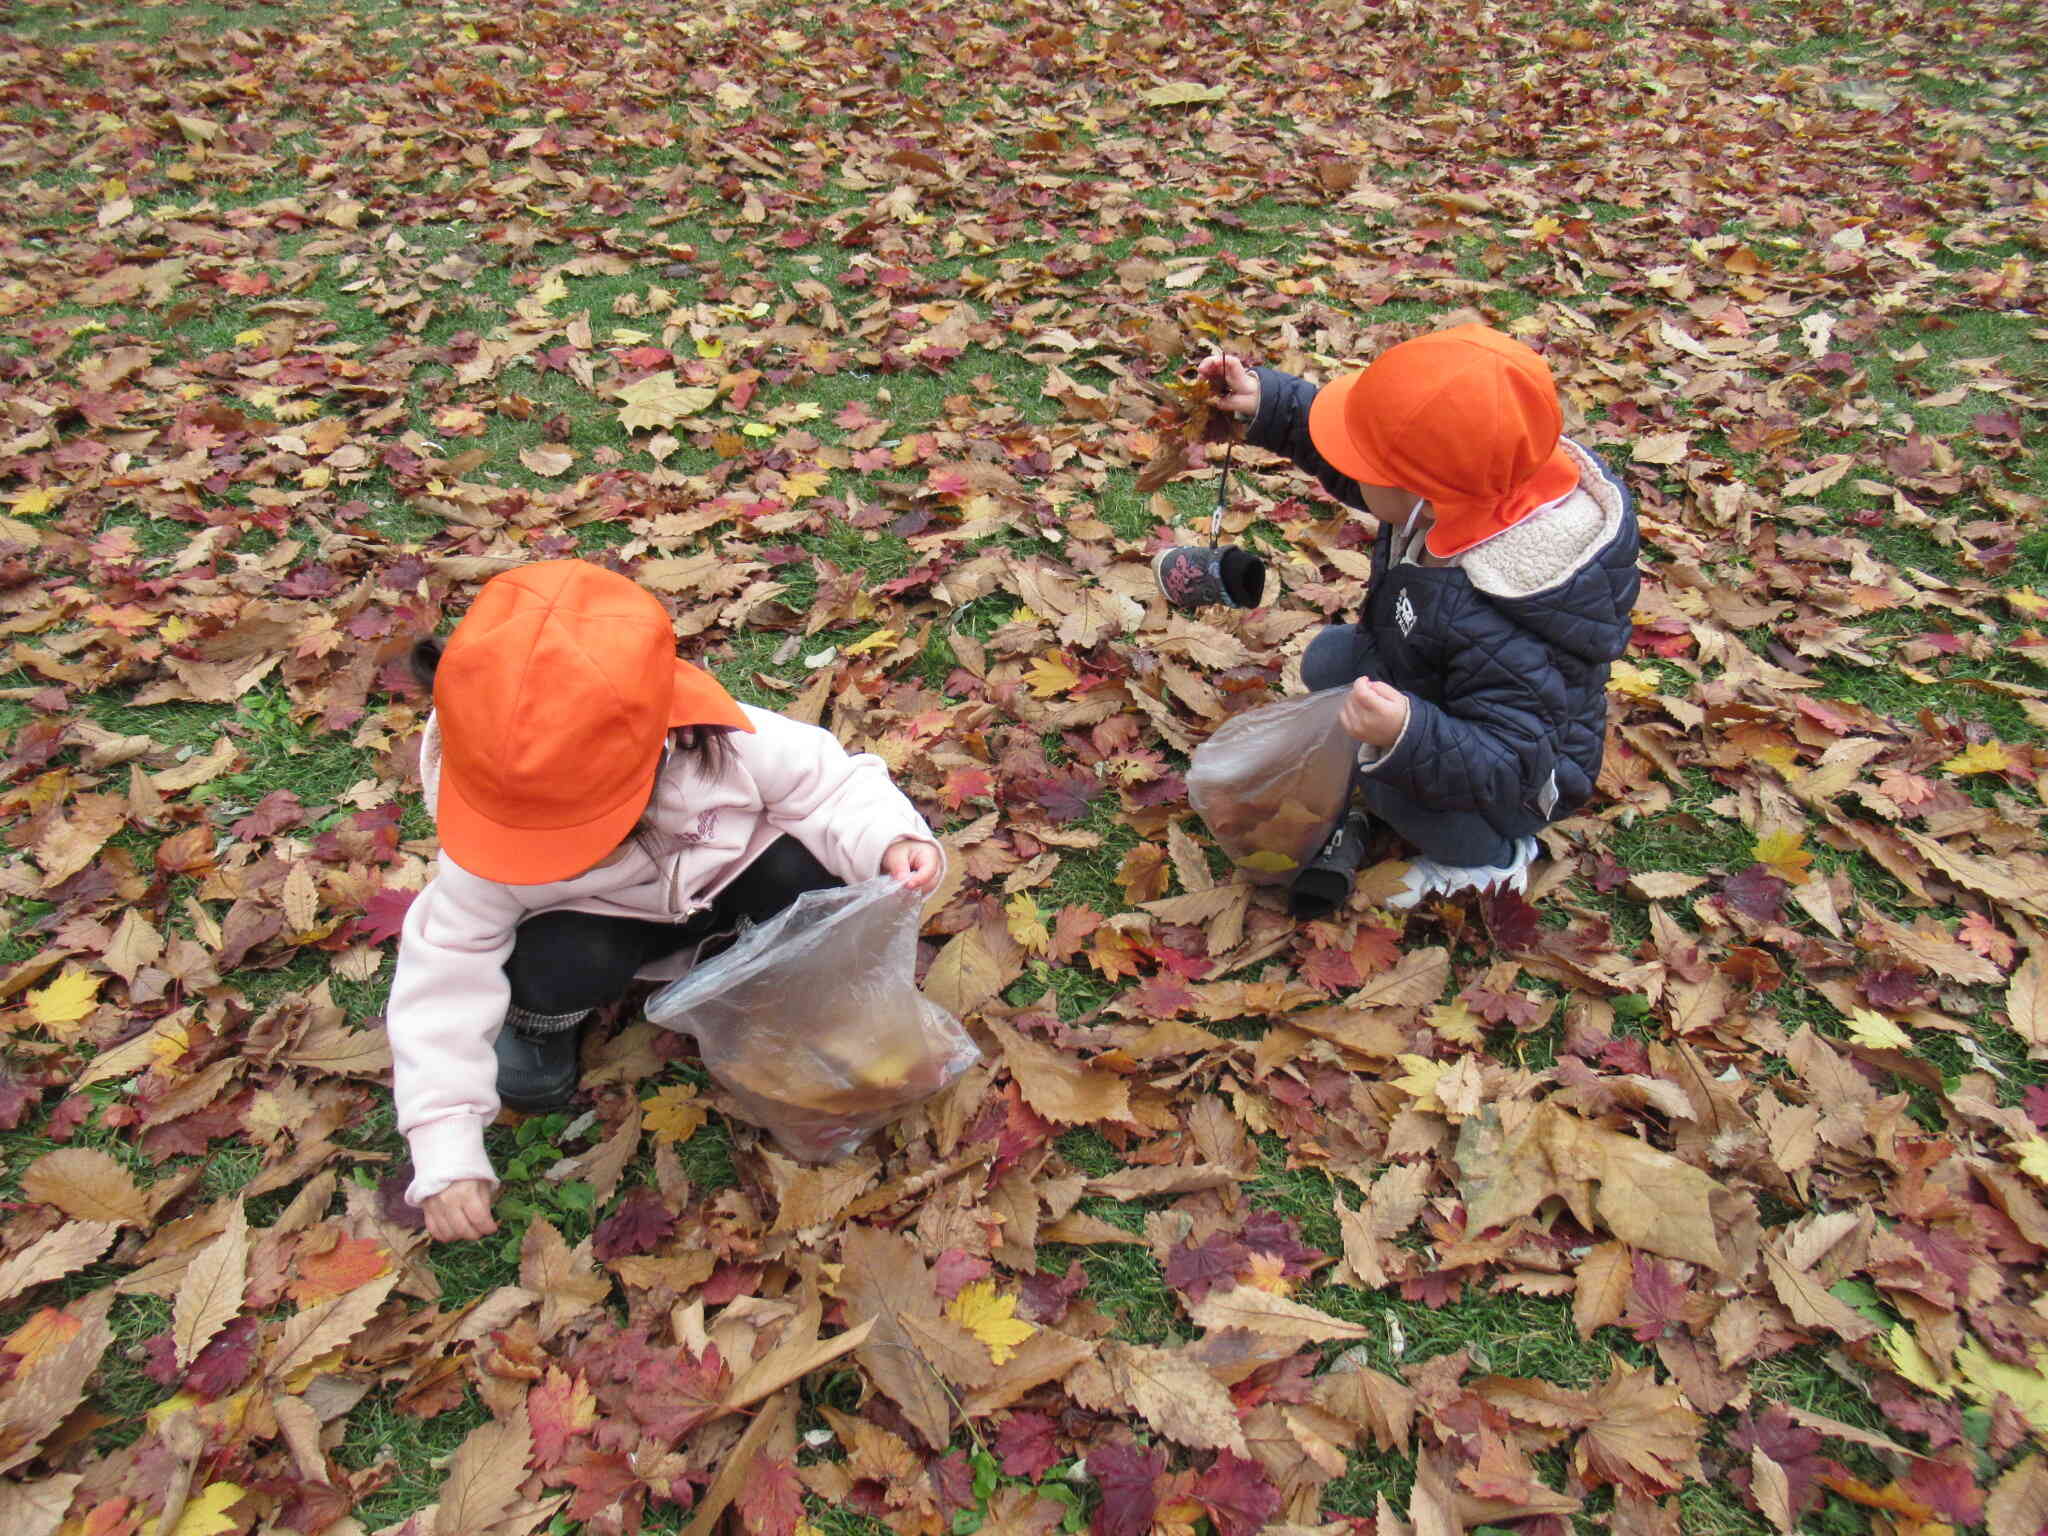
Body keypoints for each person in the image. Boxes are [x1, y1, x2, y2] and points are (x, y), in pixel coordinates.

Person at [386, 560, 944, 1243]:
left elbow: (828, 786)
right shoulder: (486, 843)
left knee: (805, 866)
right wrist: (443, 1136)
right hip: (606, 928)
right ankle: (538, 1024)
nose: (572, 848)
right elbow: (442, 972)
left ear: (662, 743)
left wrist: (890, 841)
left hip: (726, 881)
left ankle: (787, 979)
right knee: (569, 957)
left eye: (584, 831)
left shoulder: (724, 742)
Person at [1187, 323, 1640, 914]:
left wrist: (1409, 733)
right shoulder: (1474, 477)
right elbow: (1363, 461)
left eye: (1368, 465)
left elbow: (1512, 760)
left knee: (1389, 788)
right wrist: (1269, 402)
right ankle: (1402, 751)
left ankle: (1490, 863)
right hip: (1430, 674)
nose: (1354, 469)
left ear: (1419, 490)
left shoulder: (1502, 611)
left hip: (1520, 777)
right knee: (1329, 659)